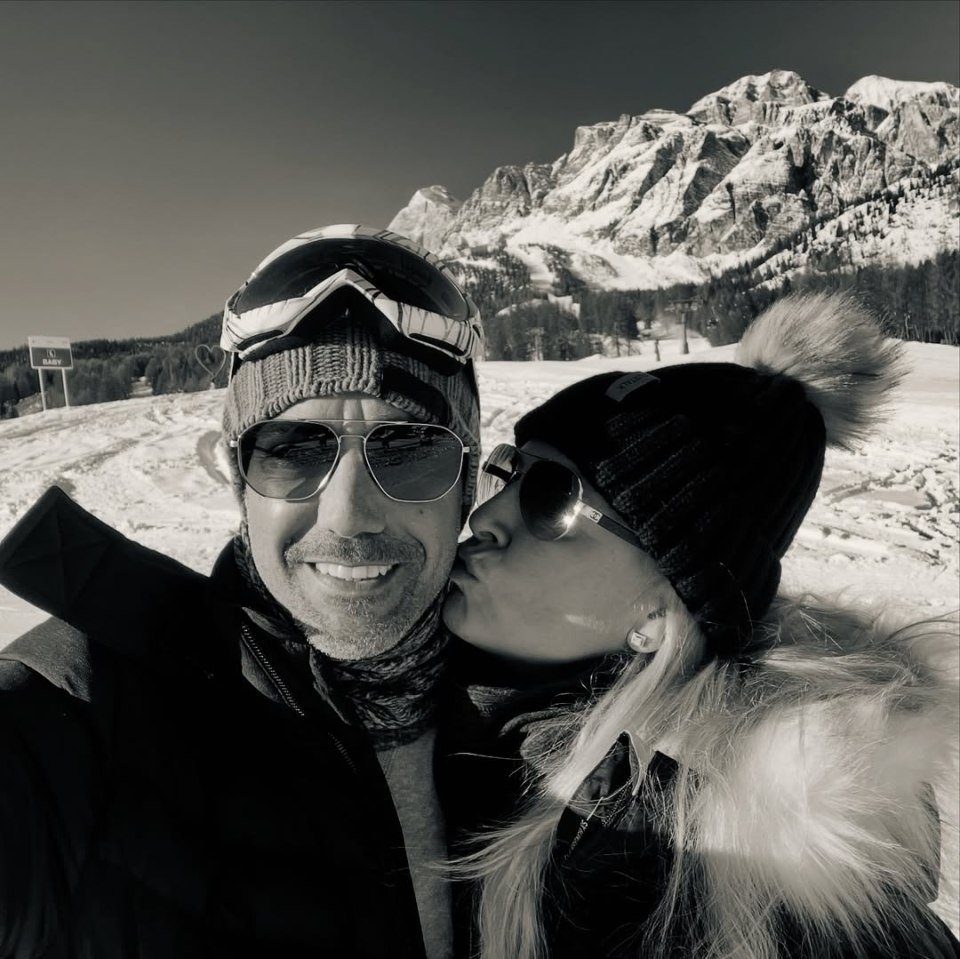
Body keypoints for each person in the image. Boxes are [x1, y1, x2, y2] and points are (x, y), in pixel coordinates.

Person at [0, 225, 483, 958]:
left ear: (469, 482)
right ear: (236, 479)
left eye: (410, 448)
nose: (350, 515)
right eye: (292, 449)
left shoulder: (560, 721)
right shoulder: (87, 707)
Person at [439, 293, 960, 959]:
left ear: (658, 616)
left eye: (550, 497)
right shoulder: (404, 702)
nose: (485, 519)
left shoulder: (689, 877)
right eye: (508, 472)